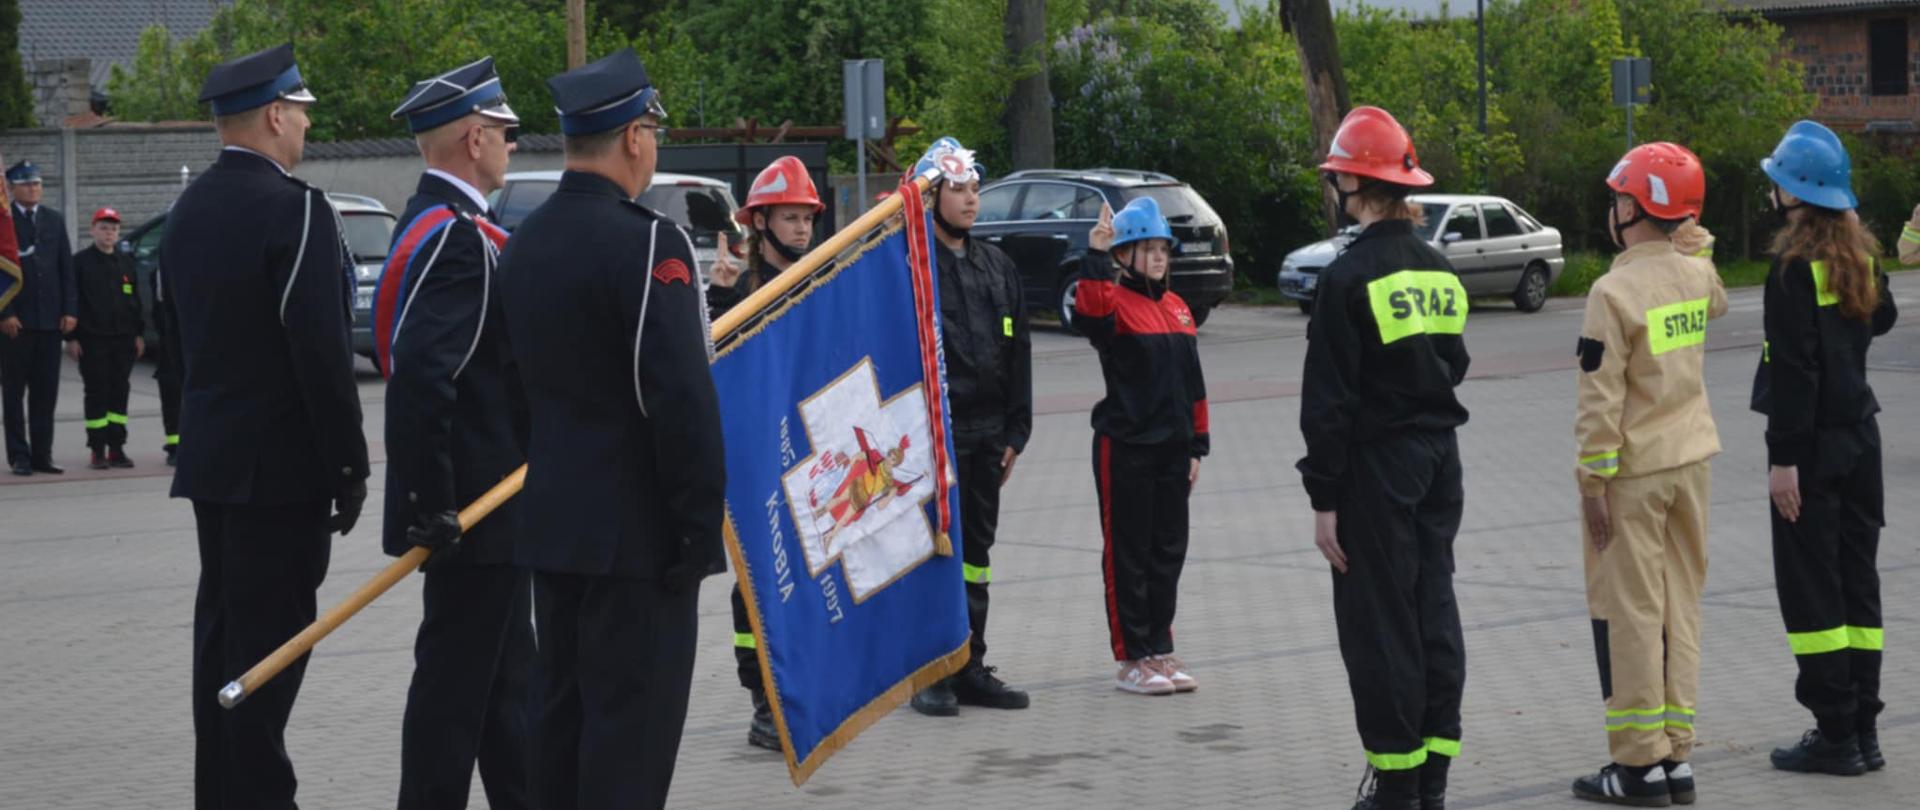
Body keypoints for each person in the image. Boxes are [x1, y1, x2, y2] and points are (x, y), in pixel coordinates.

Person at [499, 48, 726, 810]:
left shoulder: (523, 243)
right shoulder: (648, 244)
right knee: (628, 751)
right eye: (652, 133)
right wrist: (698, 530)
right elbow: (679, 399)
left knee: (558, 736)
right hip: (638, 545)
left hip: (554, 531)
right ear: (634, 137)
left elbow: (514, 390)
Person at [162, 44, 369, 810]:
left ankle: (220, 795)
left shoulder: (186, 212)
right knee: (268, 661)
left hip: (214, 468)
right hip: (281, 477)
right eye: (302, 109)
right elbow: (321, 357)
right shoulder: (297, 210)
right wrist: (348, 470)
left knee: (221, 651)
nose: (307, 124)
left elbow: (176, 347)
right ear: (275, 114)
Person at [1297, 106, 1469, 810]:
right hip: (1438, 461)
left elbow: (1329, 404)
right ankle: (1432, 779)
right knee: (1433, 612)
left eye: (1337, 177)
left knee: (1380, 624)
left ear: (1353, 186)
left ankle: (1395, 784)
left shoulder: (1347, 277)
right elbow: (1453, 363)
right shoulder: (1439, 267)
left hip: (1376, 470)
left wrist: (1324, 498)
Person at [378, 57, 532, 810]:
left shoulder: (440, 225)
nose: (510, 143)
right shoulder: (459, 240)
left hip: (488, 506)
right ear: (473, 138)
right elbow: (422, 380)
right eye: (503, 131)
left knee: (507, 686)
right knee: (455, 685)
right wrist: (431, 502)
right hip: (473, 509)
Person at [1568, 142, 1728, 808]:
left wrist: (1592, 483)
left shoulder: (1613, 292)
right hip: (1691, 462)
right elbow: (1714, 294)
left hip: (1631, 474)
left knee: (1631, 613)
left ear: (1633, 207)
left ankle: (1637, 767)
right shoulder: (1697, 275)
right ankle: (1676, 758)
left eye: (1617, 197)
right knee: (1678, 607)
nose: (1612, 207)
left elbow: (1599, 397)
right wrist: (1691, 234)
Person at [1752, 119, 1898, 777]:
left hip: (1809, 452)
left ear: (1795, 193)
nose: (1772, 193)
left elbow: (1794, 373)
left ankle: (1834, 732)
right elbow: (1883, 317)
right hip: (1860, 445)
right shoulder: (1859, 261)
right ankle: (1863, 728)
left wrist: (1784, 461)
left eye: (1777, 183)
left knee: (1813, 594)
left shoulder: (1790, 271)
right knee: (1857, 585)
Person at [909, 141, 1034, 717]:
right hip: (934, 441)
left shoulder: (997, 267)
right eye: (957, 190)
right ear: (930, 196)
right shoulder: (911, 270)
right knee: (934, 554)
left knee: (976, 556)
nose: (970, 200)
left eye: (974, 188)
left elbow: (1020, 354)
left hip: (988, 438)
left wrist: (1016, 432)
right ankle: (929, 674)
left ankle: (970, 666)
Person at [1070, 195, 1207, 698]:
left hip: (1174, 450)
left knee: (1167, 550)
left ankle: (1160, 648)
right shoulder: (1114, 303)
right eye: (1145, 248)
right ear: (1125, 255)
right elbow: (1091, 314)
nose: (1156, 257)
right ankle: (1132, 658)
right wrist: (1096, 256)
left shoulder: (1177, 308)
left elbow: (1195, 386)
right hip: (1125, 446)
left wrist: (1197, 447)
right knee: (1128, 554)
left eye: (1162, 249)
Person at [706, 154, 821, 750]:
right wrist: (719, 297)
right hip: (753, 456)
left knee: (805, 571)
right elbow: (712, 362)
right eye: (791, 217)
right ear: (761, 222)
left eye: (807, 218)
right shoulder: (739, 289)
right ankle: (761, 700)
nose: (802, 229)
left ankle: (798, 686)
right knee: (755, 578)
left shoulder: (819, 278)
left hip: (806, 448)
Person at [1, 159, 76, 475]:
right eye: (27, 183)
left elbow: (65, 269)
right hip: (17, 323)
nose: (34, 188)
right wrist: (5, 312)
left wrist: (70, 309)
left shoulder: (53, 220)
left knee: (46, 393)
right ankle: (19, 454)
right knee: (15, 394)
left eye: (37, 183)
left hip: (50, 321)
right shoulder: (4, 224)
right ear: (12, 188)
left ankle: (42, 454)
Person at [68, 207, 145, 469]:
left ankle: (117, 448)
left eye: (113, 228)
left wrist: (138, 334)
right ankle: (97, 449)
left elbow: (134, 302)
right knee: (97, 393)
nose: (109, 233)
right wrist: (72, 337)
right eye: (103, 227)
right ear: (92, 230)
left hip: (123, 339)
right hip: (92, 340)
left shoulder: (125, 262)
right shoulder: (80, 262)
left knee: (119, 392)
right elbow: (72, 302)